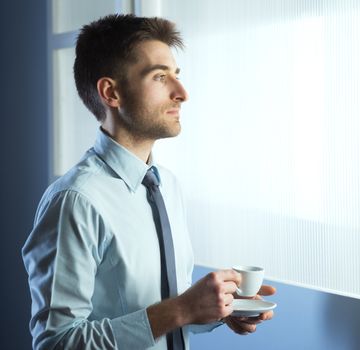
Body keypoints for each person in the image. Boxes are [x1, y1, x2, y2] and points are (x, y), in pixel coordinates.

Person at [22, 14, 275, 350]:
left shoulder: (165, 186)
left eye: (176, 76)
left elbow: (160, 318)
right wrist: (182, 309)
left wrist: (217, 311)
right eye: (159, 77)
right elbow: (56, 343)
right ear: (110, 92)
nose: (182, 93)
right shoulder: (76, 200)